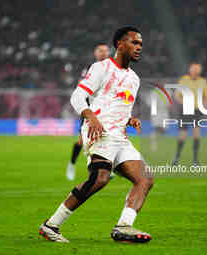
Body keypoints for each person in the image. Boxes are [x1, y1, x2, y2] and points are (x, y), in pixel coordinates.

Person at [39, 26, 153, 243]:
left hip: (120, 136)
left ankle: (123, 227)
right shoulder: (101, 68)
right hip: (98, 130)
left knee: (145, 179)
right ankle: (51, 225)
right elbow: (77, 97)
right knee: (100, 178)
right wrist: (91, 117)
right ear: (120, 44)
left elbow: (116, 105)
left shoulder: (134, 79)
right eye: (134, 43)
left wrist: (130, 119)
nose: (139, 47)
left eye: (140, 44)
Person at [66, 43, 110, 181]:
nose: (103, 53)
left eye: (105, 51)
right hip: (90, 110)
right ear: (95, 53)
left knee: (108, 137)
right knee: (82, 141)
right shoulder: (90, 70)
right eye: (100, 51)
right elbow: (82, 90)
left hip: (107, 110)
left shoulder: (112, 70)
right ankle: (72, 164)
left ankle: (107, 167)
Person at [172, 63, 207, 165]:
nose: (195, 72)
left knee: (197, 135)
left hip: (197, 111)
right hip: (185, 111)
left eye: (197, 70)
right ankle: (176, 158)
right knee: (182, 135)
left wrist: (204, 105)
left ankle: (195, 160)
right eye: (194, 69)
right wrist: (183, 103)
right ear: (190, 70)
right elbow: (176, 95)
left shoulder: (203, 81)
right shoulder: (184, 80)